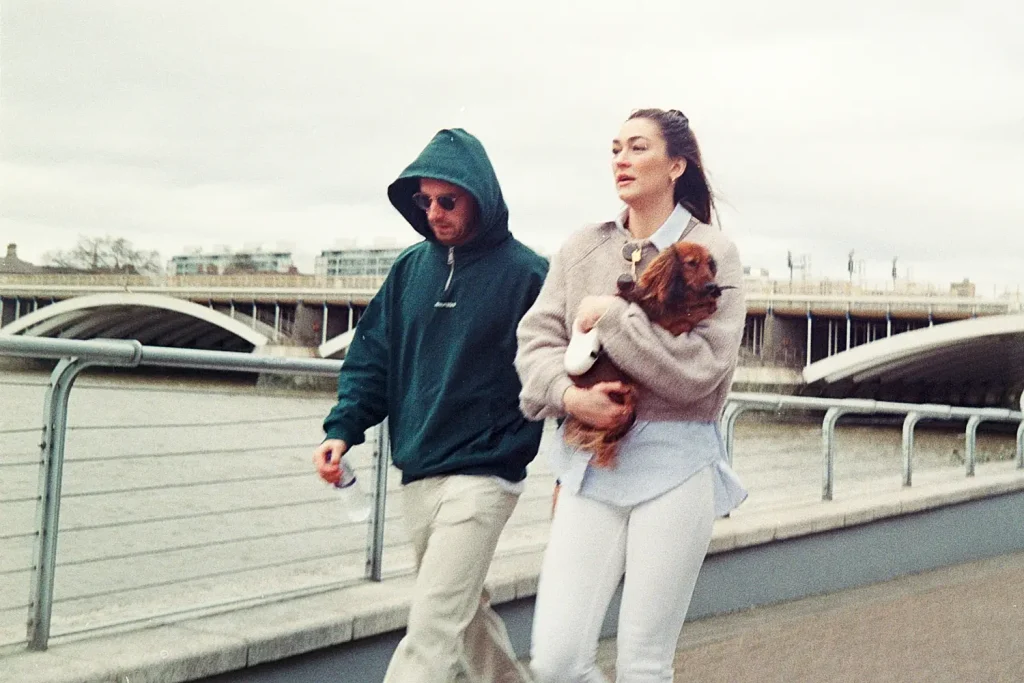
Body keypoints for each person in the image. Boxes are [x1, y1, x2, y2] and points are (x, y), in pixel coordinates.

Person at [514, 108, 748, 683]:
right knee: (556, 662)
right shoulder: (582, 249)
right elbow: (534, 344)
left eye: (637, 148)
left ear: (675, 165)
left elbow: (702, 371)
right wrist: (571, 399)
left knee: (644, 664)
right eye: (615, 147)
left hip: (675, 467)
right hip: (588, 463)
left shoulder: (713, 250)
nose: (620, 158)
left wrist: (615, 319)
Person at [313, 128, 548, 683]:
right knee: (463, 617)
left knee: (431, 629)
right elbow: (372, 356)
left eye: (448, 200)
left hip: (485, 475)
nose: (435, 212)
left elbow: (552, 367)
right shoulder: (409, 270)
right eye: (425, 201)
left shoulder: (527, 274)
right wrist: (342, 429)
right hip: (418, 471)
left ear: (480, 197)